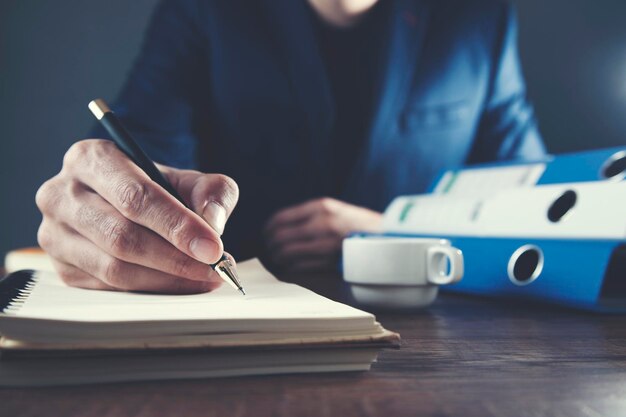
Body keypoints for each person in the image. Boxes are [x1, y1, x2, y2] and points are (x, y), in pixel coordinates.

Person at [35, 0, 546, 293]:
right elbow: (132, 159)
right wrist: (100, 200)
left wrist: (393, 232)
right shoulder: (203, 9)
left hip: (433, 331)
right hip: (241, 319)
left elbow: (534, 204)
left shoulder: (480, 16)